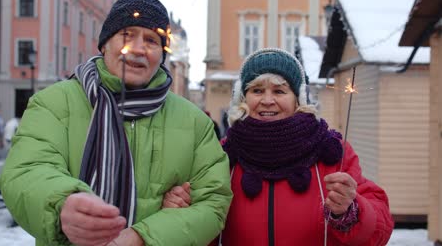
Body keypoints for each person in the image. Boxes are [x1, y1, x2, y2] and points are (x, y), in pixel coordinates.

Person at [0, 0, 232, 246]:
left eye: (152, 40)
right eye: (127, 35)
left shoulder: (195, 122)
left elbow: (213, 200)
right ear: (105, 43)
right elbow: (27, 171)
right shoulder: (53, 103)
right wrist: (62, 204)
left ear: (162, 54)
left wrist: (144, 237)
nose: (139, 49)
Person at [163, 48, 394, 245]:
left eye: (279, 91)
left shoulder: (332, 153)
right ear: (243, 98)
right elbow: (205, 236)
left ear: (298, 99)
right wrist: (184, 213)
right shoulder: (220, 156)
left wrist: (352, 212)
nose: (267, 100)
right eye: (257, 90)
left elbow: (379, 232)